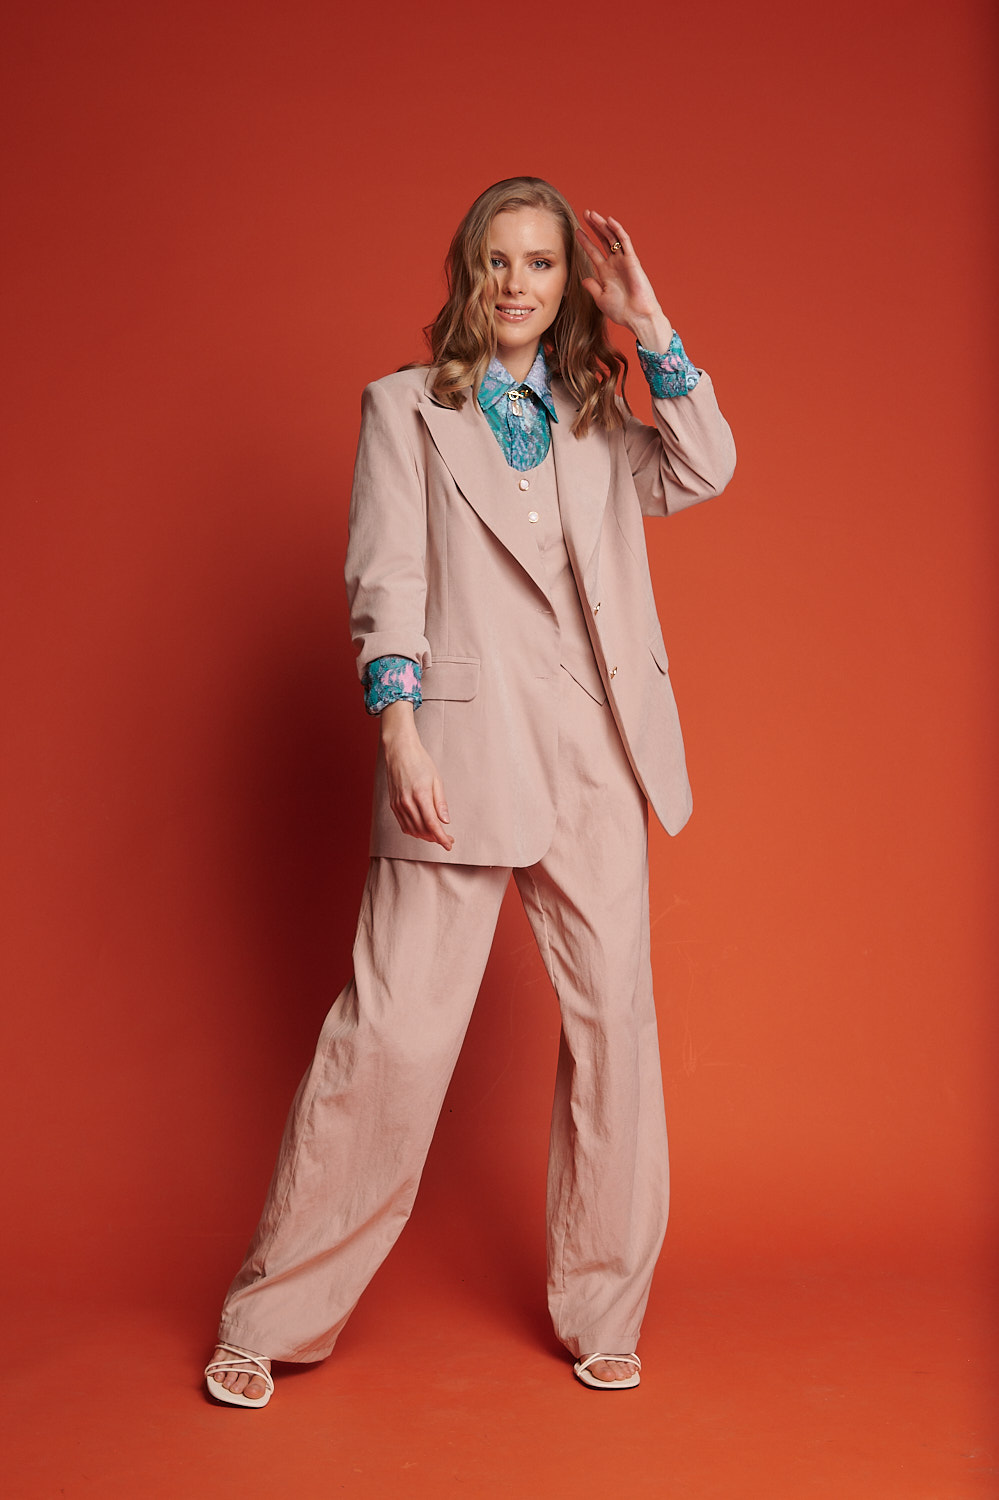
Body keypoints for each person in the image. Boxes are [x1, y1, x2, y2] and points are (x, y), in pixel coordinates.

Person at [205, 176, 736, 1407]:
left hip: (598, 751)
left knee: (615, 1031)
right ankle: (272, 1315)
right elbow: (385, 574)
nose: (517, 284)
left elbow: (705, 467)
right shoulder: (403, 409)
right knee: (392, 1031)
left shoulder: (601, 415)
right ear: (468, 273)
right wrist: (400, 733)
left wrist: (650, 322)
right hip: (457, 748)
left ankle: (604, 1308)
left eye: (542, 264)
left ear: (567, 285)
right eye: (498, 261)